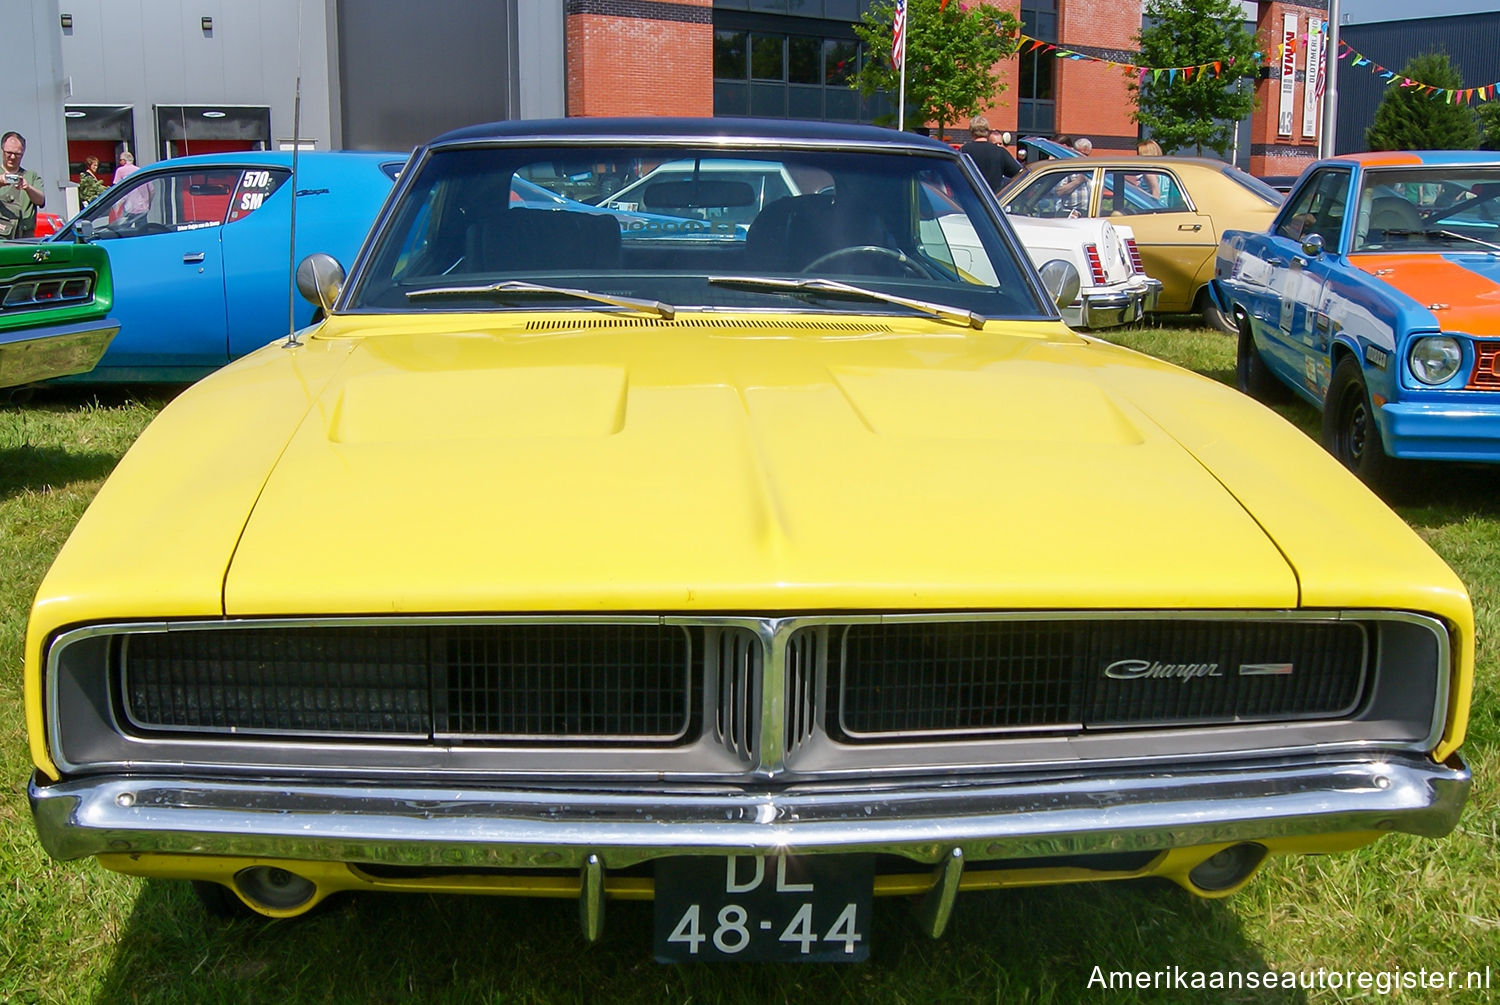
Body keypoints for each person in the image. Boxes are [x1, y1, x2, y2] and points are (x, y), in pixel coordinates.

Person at [958, 114, 1022, 194]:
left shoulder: (964, 150)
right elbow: (1019, 174)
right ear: (987, 132)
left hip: (970, 199)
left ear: (971, 132)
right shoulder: (1000, 152)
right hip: (994, 200)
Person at [1, 131, 46, 239]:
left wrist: (27, 187)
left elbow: (41, 200)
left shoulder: (31, 176)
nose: (12, 157)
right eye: (9, 153)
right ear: (2, 150)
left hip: (25, 237)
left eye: (17, 154)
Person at [1052, 135, 1092, 216]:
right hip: (1068, 213)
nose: (1083, 157)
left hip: (1087, 213)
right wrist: (1078, 181)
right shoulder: (1067, 167)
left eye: (1086, 155)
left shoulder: (1091, 168)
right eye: (1081, 154)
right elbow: (1059, 191)